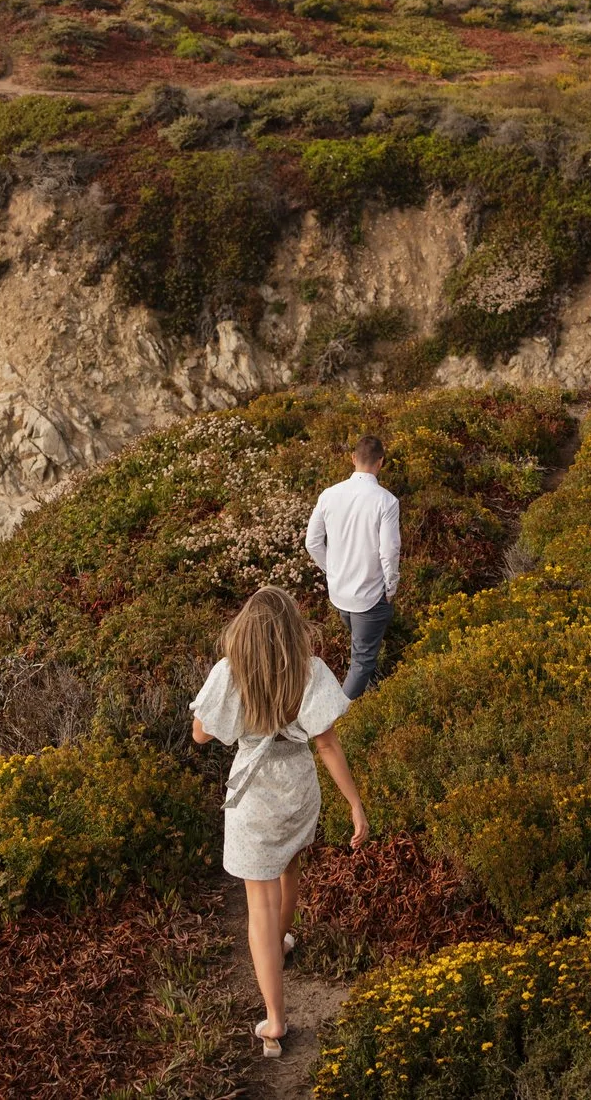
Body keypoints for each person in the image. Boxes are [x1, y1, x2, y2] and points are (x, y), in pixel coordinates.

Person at [190, 586, 370, 1059]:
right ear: (293, 628)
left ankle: (275, 1019)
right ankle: (283, 943)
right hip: (298, 789)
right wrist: (355, 804)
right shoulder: (309, 671)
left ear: (243, 631)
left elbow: (201, 734)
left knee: (259, 907)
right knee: (289, 867)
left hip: (256, 799)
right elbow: (326, 744)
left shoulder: (231, 672)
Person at [305, 433, 402, 699]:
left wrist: (332, 570)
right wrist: (391, 587)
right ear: (381, 462)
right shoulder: (386, 501)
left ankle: (370, 695)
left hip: (339, 593)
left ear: (352, 459)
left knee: (361, 651)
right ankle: (333, 719)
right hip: (370, 596)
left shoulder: (329, 495)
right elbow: (389, 550)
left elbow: (312, 542)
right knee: (361, 663)